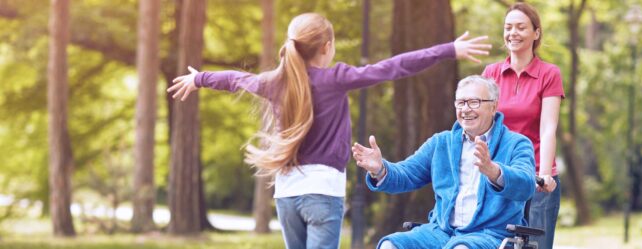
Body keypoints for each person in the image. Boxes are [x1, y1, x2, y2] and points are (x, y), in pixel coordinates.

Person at [167, 13, 491, 249]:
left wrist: (199, 79)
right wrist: (447, 50)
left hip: (287, 195)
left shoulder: (273, 82)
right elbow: (393, 67)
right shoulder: (335, 79)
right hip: (322, 193)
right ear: (326, 46)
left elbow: (235, 79)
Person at [352, 75, 536, 249]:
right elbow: (407, 174)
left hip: (489, 234)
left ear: (493, 107)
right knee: (390, 245)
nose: (465, 109)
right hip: (440, 232)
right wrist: (380, 170)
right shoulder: (441, 142)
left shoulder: (516, 144)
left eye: (474, 102)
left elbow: (527, 185)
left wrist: (494, 171)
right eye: (461, 103)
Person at [480, 3, 565, 249]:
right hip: (501, 174)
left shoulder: (549, 74)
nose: (513, 33)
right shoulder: (491, 73)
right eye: (508, 27)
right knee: (497, 243)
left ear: (536, 33)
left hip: (537, 175)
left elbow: (548, 128)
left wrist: (545, 173)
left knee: (535, 245)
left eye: (521, 27)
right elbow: (483, 126)